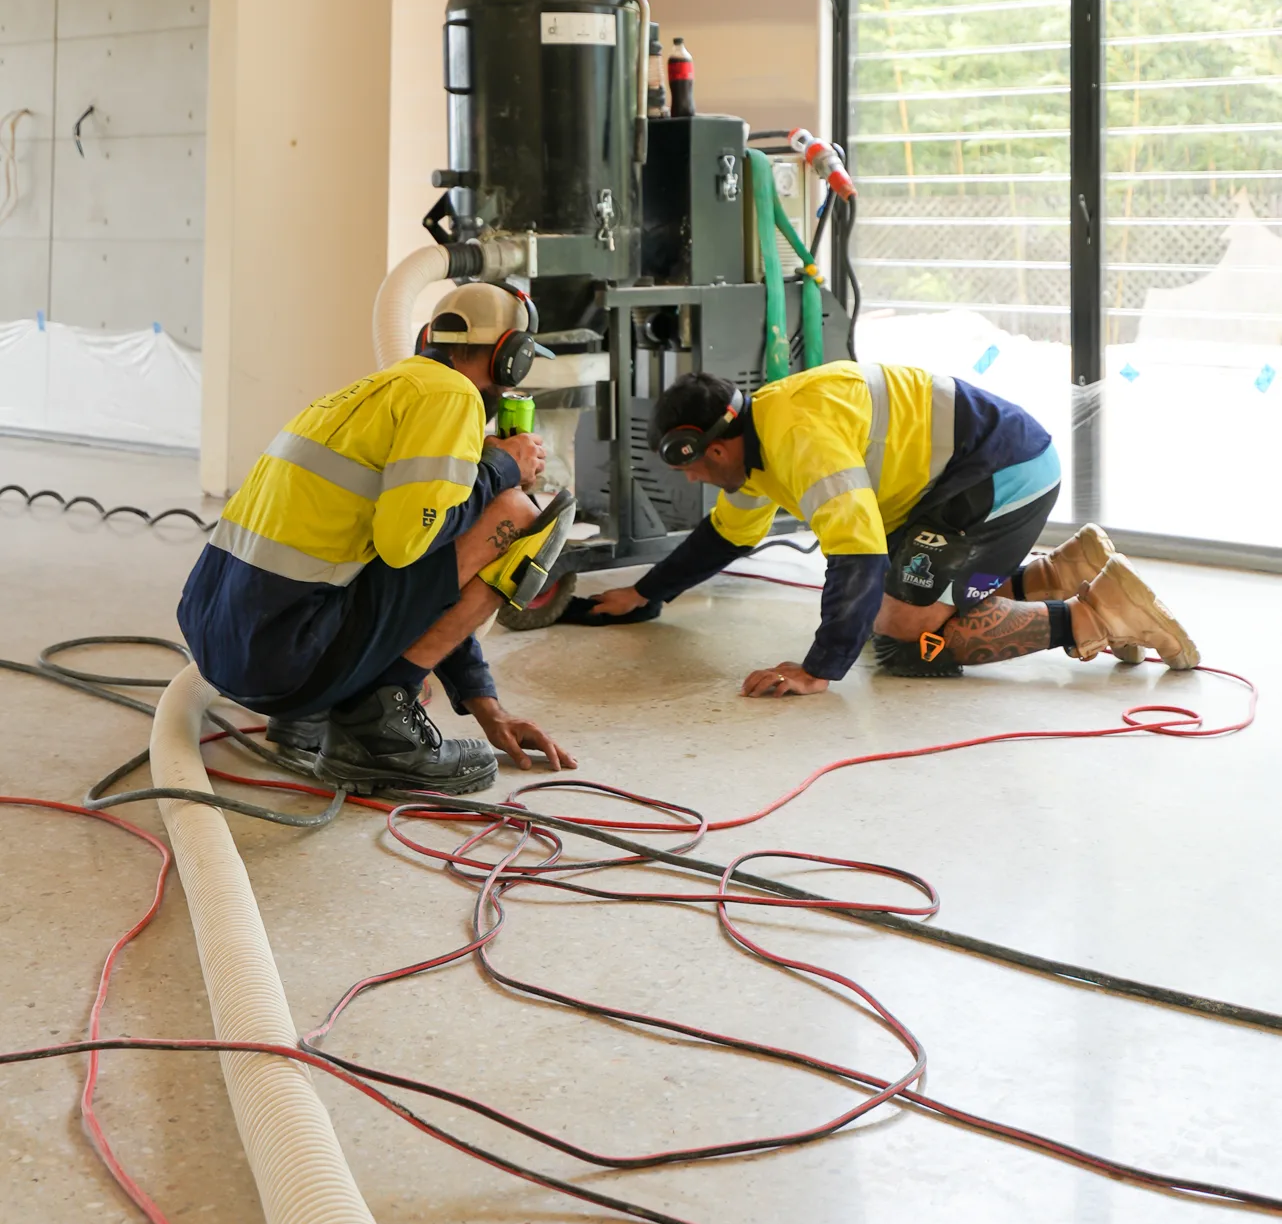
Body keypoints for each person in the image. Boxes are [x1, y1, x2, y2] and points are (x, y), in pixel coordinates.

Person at [580, 362, 1198, 695]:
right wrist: (646, 592)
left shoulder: (797, 440)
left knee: (903, 632)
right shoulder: (760, 441)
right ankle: (1053, 574)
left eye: (691, 468)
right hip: (963, 480)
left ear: (711, 447)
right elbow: (728, 535)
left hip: (1001, 473)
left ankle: (1096, 615)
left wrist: (819, 669)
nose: (693, 480)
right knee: (891, 619)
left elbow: (858, 552)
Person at [177, 283, 577, 795]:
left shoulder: (377, 389)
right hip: (284, 659)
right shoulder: (451, 396)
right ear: (510, 357)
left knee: (451, 523)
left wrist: (487, 707)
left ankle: (318, 712)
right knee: (518, 512)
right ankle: (379, 730)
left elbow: (424, 581)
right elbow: (409, 546)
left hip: (234, 645)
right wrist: (502, 468)